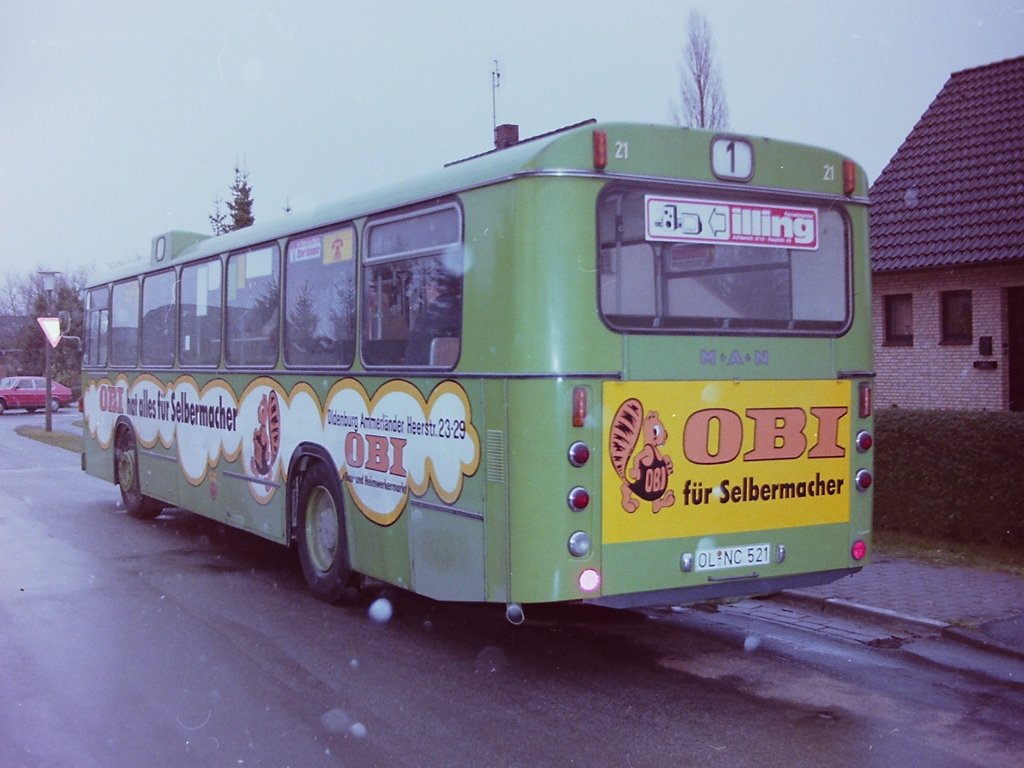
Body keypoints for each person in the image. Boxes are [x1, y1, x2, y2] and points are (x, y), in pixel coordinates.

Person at [404, 270, 460, 365]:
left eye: (428, 288)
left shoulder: (430, 316)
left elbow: (414, 354)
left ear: (435, 290)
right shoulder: (462, 309)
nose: (426, 293)